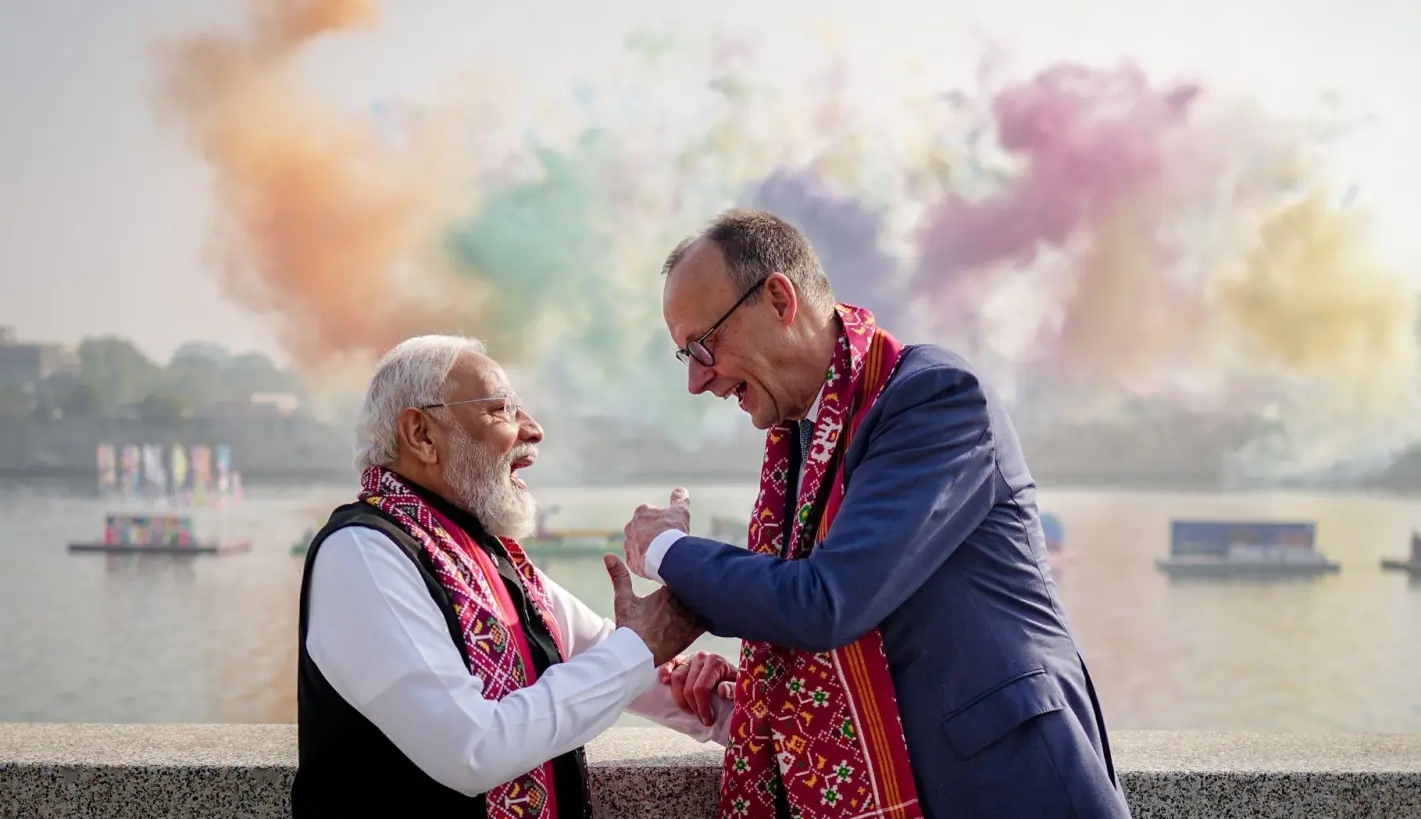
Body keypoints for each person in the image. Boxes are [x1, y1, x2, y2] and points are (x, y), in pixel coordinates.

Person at [624, 210, 1132, 819]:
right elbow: (844, 622)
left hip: (1010, 783)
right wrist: (757, 689)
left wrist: (667, 551)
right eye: (685, 356)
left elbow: (827, 602)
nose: (698, 380)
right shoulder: (802, 441)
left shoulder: (934, 398)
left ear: (780, 300)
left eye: (704, 345)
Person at [293, 334, 732, 819]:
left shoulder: (483, 554)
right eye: (501, 409)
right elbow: (472, 749)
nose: (533, 429)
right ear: (420, 434)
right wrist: (642, 645)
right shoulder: (364, 552)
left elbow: (615, 658)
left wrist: (720, 700)